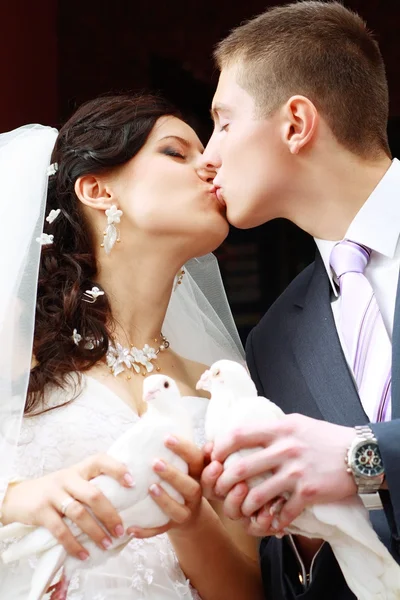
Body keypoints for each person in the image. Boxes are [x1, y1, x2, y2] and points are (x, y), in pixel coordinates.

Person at [0, 94, 263, 599]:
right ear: (97, 189)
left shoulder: (218, 384)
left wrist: (190, 523)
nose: (211, 162)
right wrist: (17, 498)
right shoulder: (20, 344)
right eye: (175, 152)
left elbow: (251, 591)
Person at [199, 1, 400, 598]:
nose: (209, 156)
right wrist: (301, 535)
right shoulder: (273, 341)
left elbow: (349, 461)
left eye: (223, 122)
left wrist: (361, 458)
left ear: (295, 124)